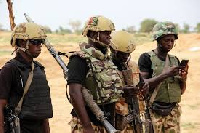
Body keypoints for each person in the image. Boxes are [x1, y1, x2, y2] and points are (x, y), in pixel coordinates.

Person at [67, 15, 124, 133]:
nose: (109, 36)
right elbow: (74, 92)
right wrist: (87, 126)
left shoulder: (106, 59)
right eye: (106, 33)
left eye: (110, 33)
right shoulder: (80, 60)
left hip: (107, 123)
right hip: (89, 124)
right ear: (93, 35)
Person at [0, 22, 53, 133]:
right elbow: (0, 104)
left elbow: (42, 109)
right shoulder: (9, 69)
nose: (39, 46)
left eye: (41, 42)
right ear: (22, 42)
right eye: (36, 42)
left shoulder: (39, 69)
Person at [138, 21, 188, 133]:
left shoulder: (174, 59)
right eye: (167, 40)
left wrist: (184, 78)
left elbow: (181, 91)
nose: (170, 43)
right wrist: (165, 75)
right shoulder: (146, 58)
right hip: (154, 111)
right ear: (158, 39)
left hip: (173, 111)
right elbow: (142, 85)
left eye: (172, 40)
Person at [110, 30, 151, 133]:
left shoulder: (133, 66)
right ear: (112, 49)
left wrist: (144, 88)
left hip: (136, 119)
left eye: (128, 54)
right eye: (122, 54)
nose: (125, 57)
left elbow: (142, 86)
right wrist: (121, 91)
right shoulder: (106, 68)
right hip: (117, 121)